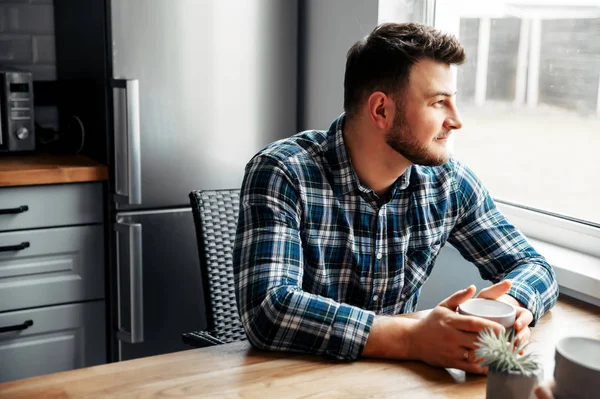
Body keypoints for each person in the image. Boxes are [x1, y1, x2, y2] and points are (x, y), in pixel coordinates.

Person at [232, 22, 558, 374]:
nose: (457, 121)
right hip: (292, 380)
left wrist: (508, 307)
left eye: (454, 101)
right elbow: (269, 310)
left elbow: (536, 268)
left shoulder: (450, 183)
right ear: (381, 111)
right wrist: (413, 338)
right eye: (438, 102)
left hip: (394, 381)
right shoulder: (283, 172)